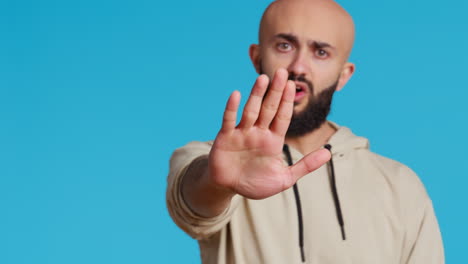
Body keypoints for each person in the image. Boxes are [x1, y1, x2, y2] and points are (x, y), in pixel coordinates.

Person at [166, 0, 445, 263]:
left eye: (321, 52)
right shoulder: (208, 159)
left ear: (343, 75)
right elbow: (193, 207)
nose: (299, 67)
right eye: (285, 45)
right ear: (257, 57)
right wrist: (217, 184)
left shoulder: (401, 186)